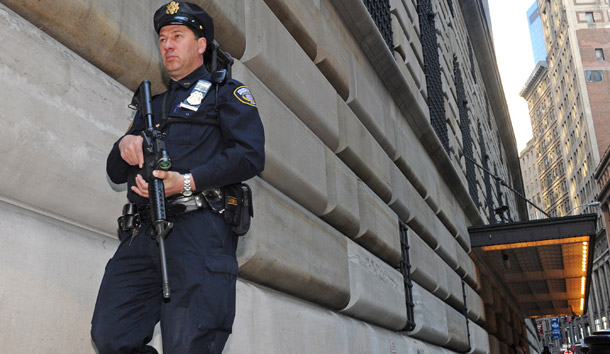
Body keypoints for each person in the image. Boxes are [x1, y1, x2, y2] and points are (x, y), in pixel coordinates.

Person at [91, 1, 265, 353]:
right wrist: (125, 144)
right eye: (162, 38)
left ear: (200, 45)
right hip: (144, 234)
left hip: (199, 232)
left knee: (189, 343)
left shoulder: (227, 94)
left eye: (177, 36)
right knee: (110, 334)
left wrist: (186, 182)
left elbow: (250, 155)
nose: (167, 45)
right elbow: (114, 170)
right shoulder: (151, 105)